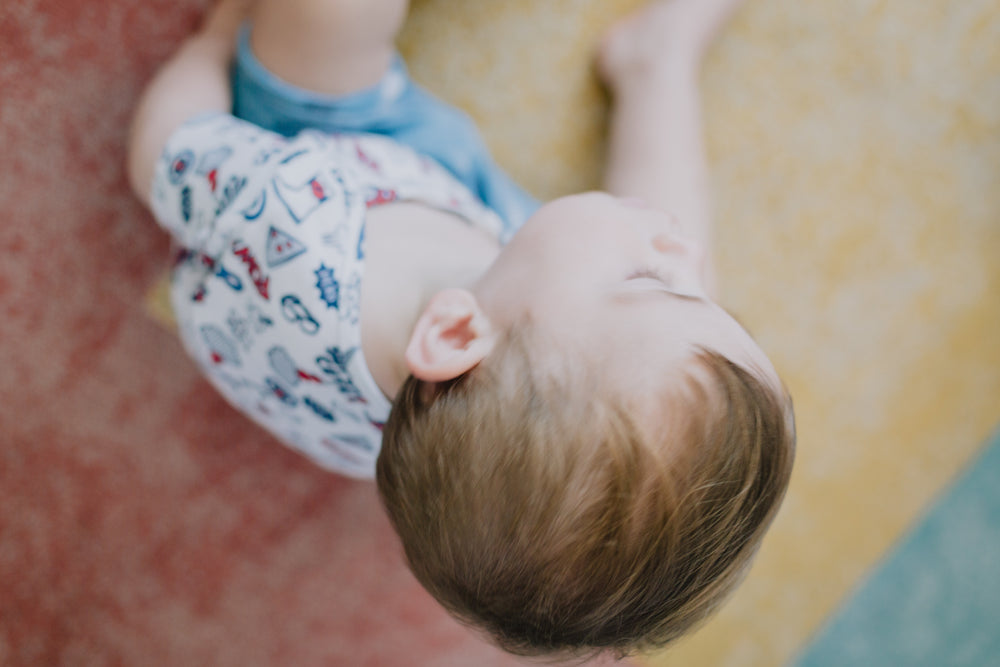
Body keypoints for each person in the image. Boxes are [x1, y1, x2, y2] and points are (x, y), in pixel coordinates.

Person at [128, 0, 795, 657]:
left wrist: (211, 51)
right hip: (482, 253)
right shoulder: (481, 407)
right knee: (679, 353)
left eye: (647, 281)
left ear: (455, 335)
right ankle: (655, 61)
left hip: (341, 159)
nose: (678, 247)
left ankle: (657, 61)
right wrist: (660, 293)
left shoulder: (289, 223)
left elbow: (162, 149)